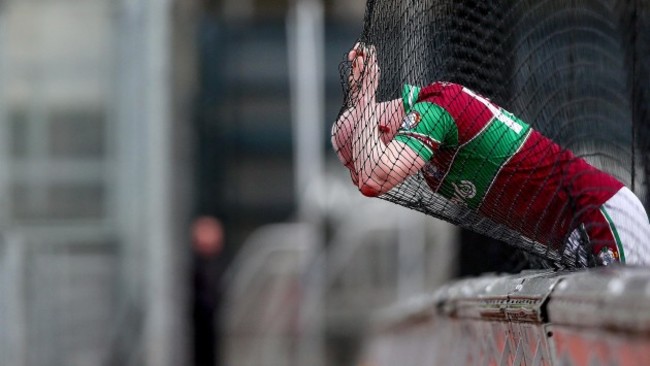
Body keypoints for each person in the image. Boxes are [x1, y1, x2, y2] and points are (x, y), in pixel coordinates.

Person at [332, 43, 650, 266]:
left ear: (383, 132)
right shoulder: (431, 169)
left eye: (362, 152)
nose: (358, 170)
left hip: (598, 214)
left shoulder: (436, 107)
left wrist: (361, 102)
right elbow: (371, 179)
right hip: (570, 237)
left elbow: (375, 177)